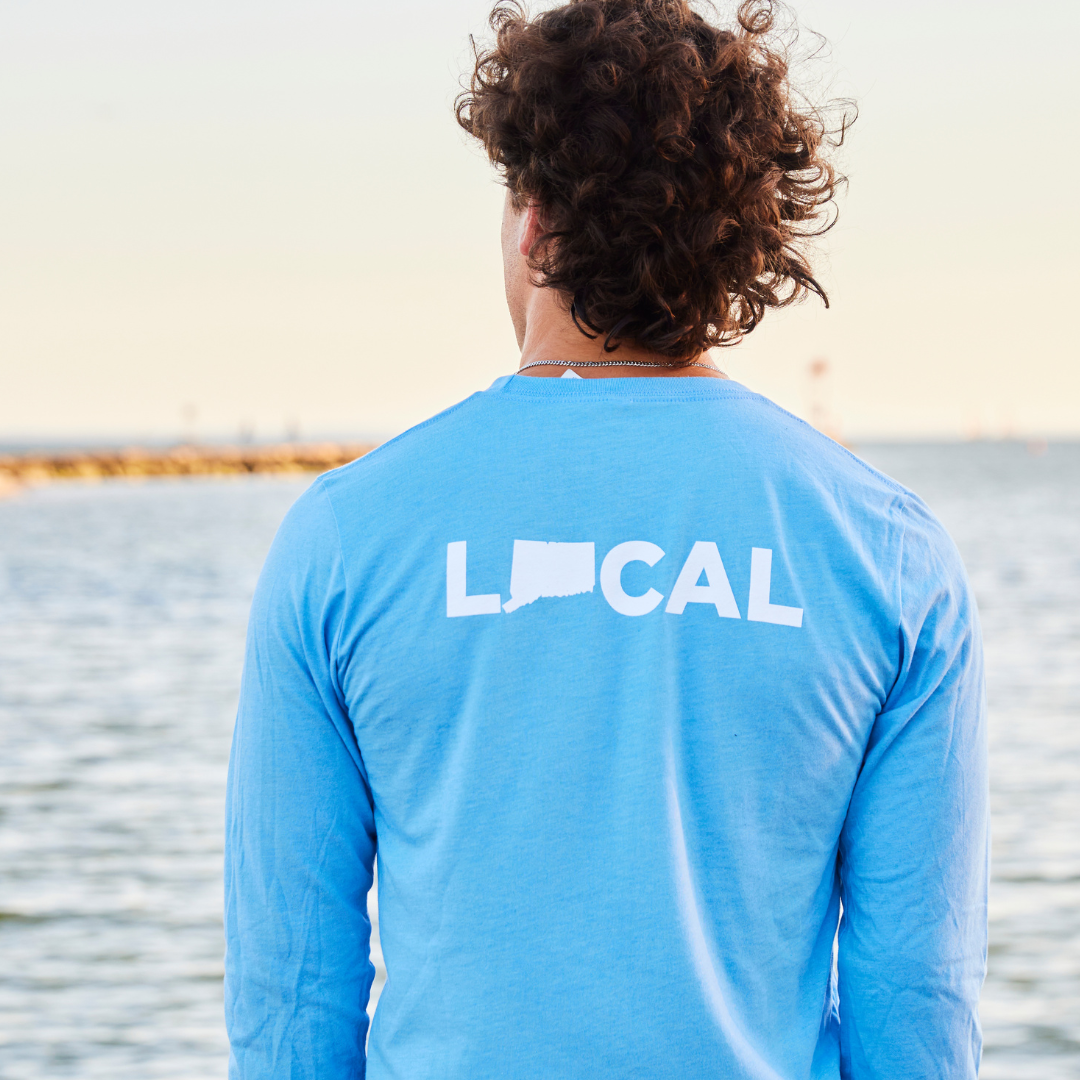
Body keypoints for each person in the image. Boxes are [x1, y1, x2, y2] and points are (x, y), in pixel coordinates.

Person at [224, 1, 988, 1077]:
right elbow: (916, 1000)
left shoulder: (344, 538)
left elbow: (291, 995)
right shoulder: (889, 555)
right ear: (739, 243)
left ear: (532, 221)